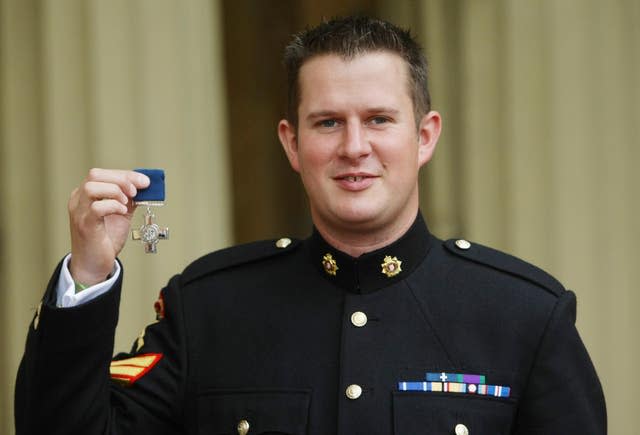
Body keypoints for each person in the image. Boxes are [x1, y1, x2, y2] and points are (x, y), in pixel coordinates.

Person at [15, 16, 606, 435]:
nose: (354, 147)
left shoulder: (524, 314)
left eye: (378, 119)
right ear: (291, 143)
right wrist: (89, 272)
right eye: (327, 123)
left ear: (424, 136)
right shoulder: (210, 308)